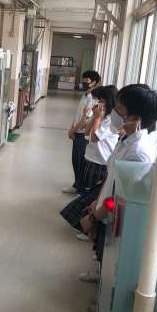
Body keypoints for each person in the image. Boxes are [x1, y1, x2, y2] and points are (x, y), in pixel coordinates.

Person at [78, 84, 157, 312]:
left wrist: (96, 215)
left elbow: (121, 199)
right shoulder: (127, 139)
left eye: (120, 109)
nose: (114, 113)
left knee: (115, 281)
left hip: (116, 221)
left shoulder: (139, 153)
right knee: (106, 268)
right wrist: (97, 202)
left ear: (136, 117)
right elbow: (112, 180)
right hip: (106, 212)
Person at [60, 85, 119, 235]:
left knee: (93, 198)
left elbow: (94, 137)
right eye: (99, 100)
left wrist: (97, 118)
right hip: (91, 159)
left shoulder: (110, 121)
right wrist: (93, 117)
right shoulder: (102, 117)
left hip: (100, 163)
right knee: (87, 194)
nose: (99, 104)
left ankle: (90, 230)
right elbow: (86, 132)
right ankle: (87, 227)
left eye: (102, 101)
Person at [63, 70, 101, 195]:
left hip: (82, 134)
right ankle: (77, 185)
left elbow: (85, 121)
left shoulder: (92, 99)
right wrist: (72, 127)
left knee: (80, 161)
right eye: (83, 80)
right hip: (76, 130)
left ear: (94, 82)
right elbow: (78, 114)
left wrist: (73, 130)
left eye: (86, 80)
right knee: (76, 160)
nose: (84, 82)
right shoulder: (85, 95)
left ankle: (80, 188)